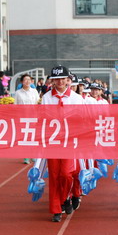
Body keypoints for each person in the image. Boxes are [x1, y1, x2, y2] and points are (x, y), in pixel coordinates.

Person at [42, 66, 84, 222]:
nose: (60, 82)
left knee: (66, 174)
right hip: (53, 142)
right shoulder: (47, 97)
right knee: (54, 176)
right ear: (52, 81)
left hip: (70, 143)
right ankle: (56, 209)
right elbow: (43, 118)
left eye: (63, 79)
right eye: (56, 79)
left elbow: (83, 119)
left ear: (68, 80)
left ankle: (66, 196)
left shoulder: (76, 98)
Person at [14, 73, 40, 164]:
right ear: (22, 82)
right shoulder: (18, 93)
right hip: (23, 118)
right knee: (25, 137)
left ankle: (33, 155)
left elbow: (38, 103)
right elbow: (15, 106)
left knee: (33, 136)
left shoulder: (34, 91)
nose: (27, 81)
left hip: (33, 117)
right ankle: (26, 156)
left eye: (29, 80)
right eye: (25, 80)